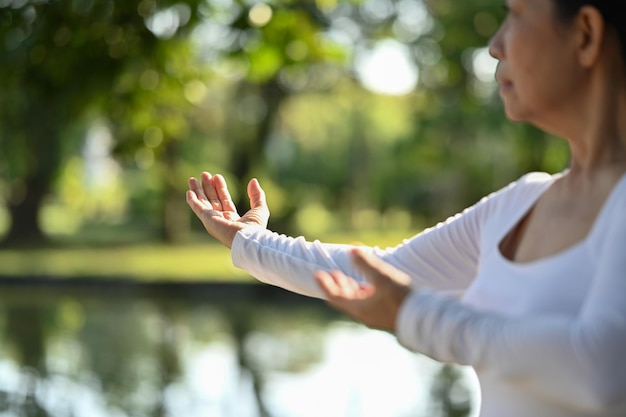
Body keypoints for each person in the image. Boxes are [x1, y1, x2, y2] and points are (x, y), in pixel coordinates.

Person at [186, 0, 626, 415]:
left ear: (585, 34)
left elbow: (599, 368)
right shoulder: (520, 203)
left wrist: (416, 316)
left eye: (516, 14)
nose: (495, 44)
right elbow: (377, 275)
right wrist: (247, 240)